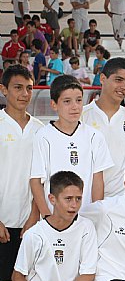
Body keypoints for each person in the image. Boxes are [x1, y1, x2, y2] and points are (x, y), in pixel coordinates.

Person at [30, 74, 112, 220]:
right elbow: (36, 181)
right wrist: (47, 215)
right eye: (67, 101)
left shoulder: (95, 136)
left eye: (79, 100)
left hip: (85, 218)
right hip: (55, 218)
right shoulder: (43, 136)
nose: (74, 106)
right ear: (54, 104)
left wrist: (96, 214)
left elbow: (98, 180)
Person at [0, 64, 44, 281]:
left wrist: (34, 215)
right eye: (18, 88)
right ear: (3, 90)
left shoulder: (41, 130)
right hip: (2, 220)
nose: (25, 94)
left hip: (29, 222)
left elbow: (42, 178)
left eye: (29, 88)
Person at [82, 57, 125, 197]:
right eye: (118, 80)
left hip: (121, 199)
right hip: (84, 198)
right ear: (102, 78)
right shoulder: (82, 115)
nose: (124, 87)